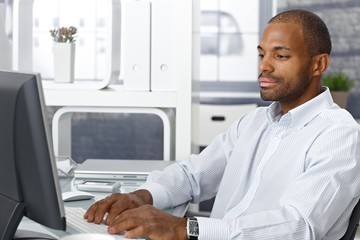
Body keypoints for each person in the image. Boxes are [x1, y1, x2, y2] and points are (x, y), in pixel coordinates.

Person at [84, 9, 360, 239]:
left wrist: (185, 229)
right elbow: (193, 176)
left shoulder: (339, 135)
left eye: (280, 56)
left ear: (318, 65)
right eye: (261, 54)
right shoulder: (254, 123)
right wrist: (143, 196)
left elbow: (300, 225)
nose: (264, 66)